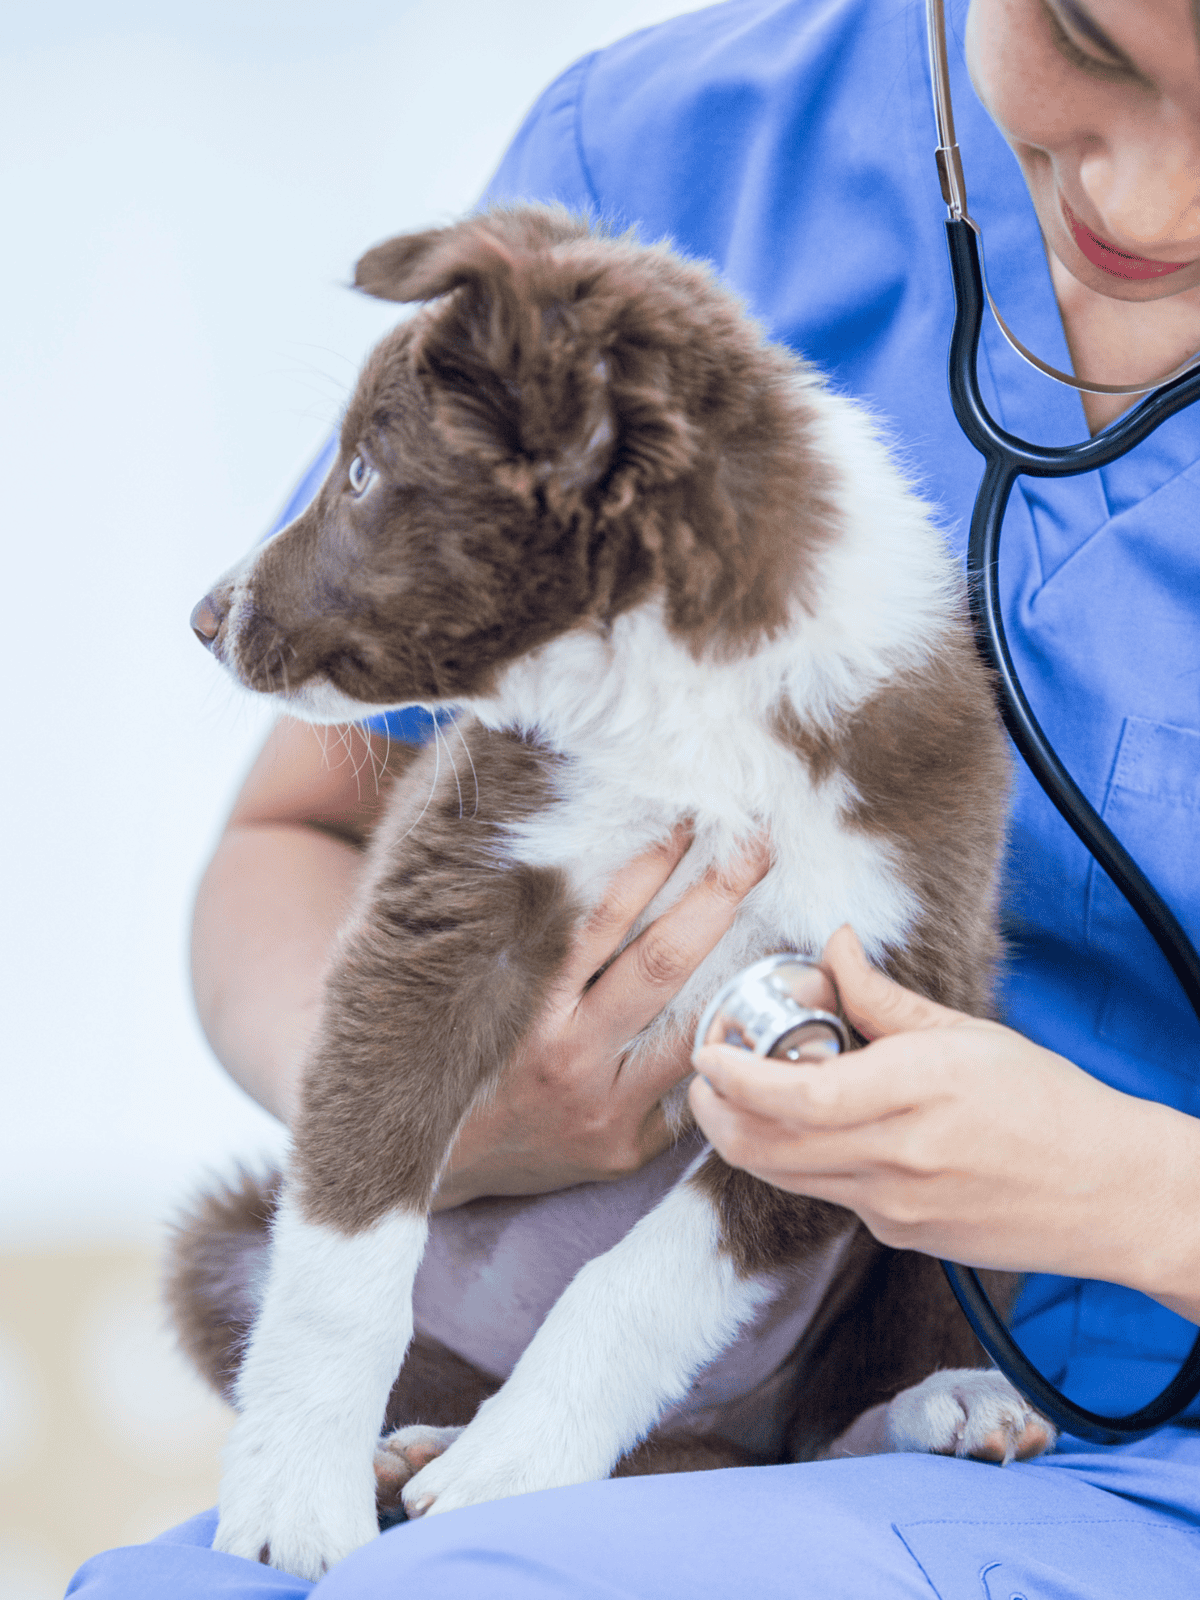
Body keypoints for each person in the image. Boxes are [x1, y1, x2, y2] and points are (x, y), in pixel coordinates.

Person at [69, 0, 1200, 1594]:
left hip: (1016, 1404)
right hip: (572, 1339)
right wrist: (452, 1125)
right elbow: (298, 834)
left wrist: (1155, 1201)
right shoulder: (677, 148)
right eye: (1085, 39)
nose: (1148, 203)